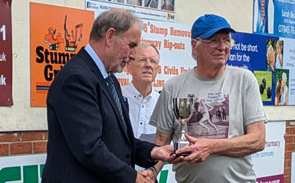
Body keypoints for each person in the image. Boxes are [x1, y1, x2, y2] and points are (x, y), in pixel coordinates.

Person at [42, 10, 175, 183]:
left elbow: (117, 142)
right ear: (110, 36)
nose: (134, 55)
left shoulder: (109, 79)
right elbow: (90, 149)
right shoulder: (77, 78)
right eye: (132, 45)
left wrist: (153, 152)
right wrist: (135, 178)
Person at [149, 14, 266, 182]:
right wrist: (153, 171)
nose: (222, 46)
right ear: (194, 46)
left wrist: (211, 147)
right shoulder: (173, 87)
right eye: (213, 40)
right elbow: (161, 141)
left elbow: (258, 140)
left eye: (227, 40)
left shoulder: (244, 80)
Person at [122, 42, 161, 143]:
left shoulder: (163, 103)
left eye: (153, 61)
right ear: (129, 67)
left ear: (157, 69)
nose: (148, 65)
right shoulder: (117, 97)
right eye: (142, 60)